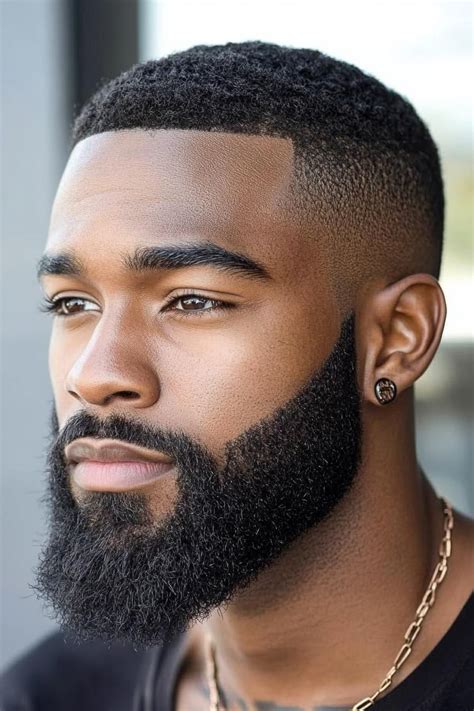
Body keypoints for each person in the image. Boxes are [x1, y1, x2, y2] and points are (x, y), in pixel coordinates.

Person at [1, 40, 473, 711]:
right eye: (73, 304)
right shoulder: (48, 696)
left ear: (397, 339)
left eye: (193, 301)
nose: (94, 375)